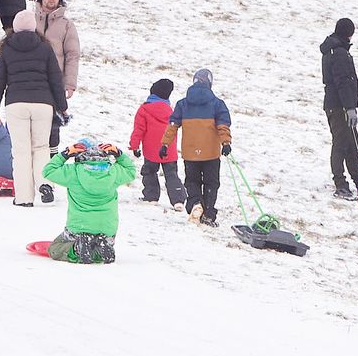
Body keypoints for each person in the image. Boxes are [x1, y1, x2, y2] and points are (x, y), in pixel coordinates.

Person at [0, 8, 67, 209]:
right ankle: (44, 184)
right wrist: (62, 107)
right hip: (43, 103)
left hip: (16, 103)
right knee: (41, 148)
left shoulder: (6, 48)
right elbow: (56, 78)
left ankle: (23, 198)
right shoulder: (44, 47)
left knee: (21, 151)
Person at [40, 140, 139, 263]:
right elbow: (131, 170)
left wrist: (65, 154)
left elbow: (48, 171)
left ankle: (77, 248)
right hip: (107, 228)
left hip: (79, 227)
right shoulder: (114, 172)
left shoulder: (73, 173)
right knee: (96, 252)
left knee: (55, 248)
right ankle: (102, 245)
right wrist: (119, 154)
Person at [163, 69, 232, 227]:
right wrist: (226, 143)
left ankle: (195, 203)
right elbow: (222, 125)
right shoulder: (217, 104)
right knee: (211, 183)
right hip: (211, 153)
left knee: (192, 181)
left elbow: (173, 125)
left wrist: (165, 144)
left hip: (190, 152)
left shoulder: (182, 104)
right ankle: (207, 214)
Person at [320, 17, 358, 199]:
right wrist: (349, 107)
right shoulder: (339, 53)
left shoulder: (333, 50)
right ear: (348, 33)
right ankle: (340, 184)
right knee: (341, 144)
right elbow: (343, 82)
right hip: (339, 107)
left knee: (351, 144)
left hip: (336, 105)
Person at [128, 78, 184, 208]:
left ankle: (151, 196)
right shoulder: (171, 110)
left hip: (151, 149)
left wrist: (134, 146)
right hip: (168, 149)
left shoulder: (144, 109)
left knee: (149, 171)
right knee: (171, 174)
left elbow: (139, 130)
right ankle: (178, 200)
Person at [32, 0, 80, 126]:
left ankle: (51, 150)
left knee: (52, 127)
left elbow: (72, 55)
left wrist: (70, 83)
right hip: (31, 80)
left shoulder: (67, 25)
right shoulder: (29, 19)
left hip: (54, 82)